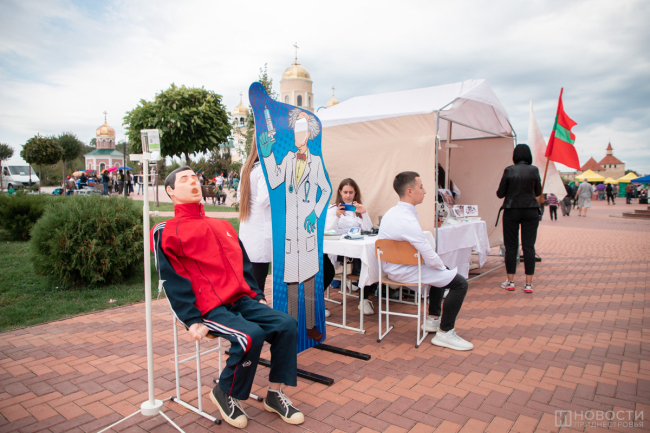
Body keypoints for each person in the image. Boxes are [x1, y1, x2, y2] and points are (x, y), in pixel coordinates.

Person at [151, 166, 303, 429]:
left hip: (240, 299)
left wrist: (257, 295)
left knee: (287, 324)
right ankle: (225, 392)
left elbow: (243, 264)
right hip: (208, 307)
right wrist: (191, 320)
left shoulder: (222, 226)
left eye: (195, 178)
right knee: (250, 336)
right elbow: (170, 279)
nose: (193, 182)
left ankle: (274, 393)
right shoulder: (165, 230)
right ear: (170, 191)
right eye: (184, 180)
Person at [259, 107, 331, 342]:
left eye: (302, 130)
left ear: (309, 134)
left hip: (308, 230)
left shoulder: (316, 162)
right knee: (291, 281)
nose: (297, 135)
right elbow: (274, 180)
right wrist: (268, 156)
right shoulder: (289, 159)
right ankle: (291, 328)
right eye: (295, 130)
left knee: (309, 280)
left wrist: (315, 213)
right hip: (291, 229)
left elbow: (326, 190)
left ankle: (310, 326)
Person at [378, 171, 472, 351]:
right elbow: (428, 253)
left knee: (440, 270)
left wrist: (441, 268)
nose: (425, 191)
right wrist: (442, 268)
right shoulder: (406, 219)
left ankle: (433, 319)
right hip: (402, 271)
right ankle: (445, 333)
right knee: (460, 283)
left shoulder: (392, 212)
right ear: (409, 191)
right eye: (421, 187)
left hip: (393, 267)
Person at [322, 178, 376, 316]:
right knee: (327, 269)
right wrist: (337, 216)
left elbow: (368, 228)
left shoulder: (357, 209)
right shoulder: (332, 209)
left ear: (355, 192)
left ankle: (364, 300)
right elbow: (328, 231)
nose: (348, 195)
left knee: (368, 259)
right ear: (340, 192)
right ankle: (318, 302)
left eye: (351, 192)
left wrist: (364, 213)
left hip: (354, 245)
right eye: (345, 192)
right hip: (337, 247)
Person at [496, 143, 542, 294]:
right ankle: (528, 284)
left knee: (511, 246)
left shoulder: (509, 170)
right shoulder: (534, 170)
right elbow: (537, 192)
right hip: (531, 210)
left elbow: (500, 193)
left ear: (515, 156)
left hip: (512, 210)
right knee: (529, 246)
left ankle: (510, 281)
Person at [238, 143, 272, 296]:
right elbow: (265, 199)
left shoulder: (247, 167)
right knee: (258, 284)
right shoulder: (264, 168)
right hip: (260, 233)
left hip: (249, 232)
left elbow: (240, 197)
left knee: (251, 282)